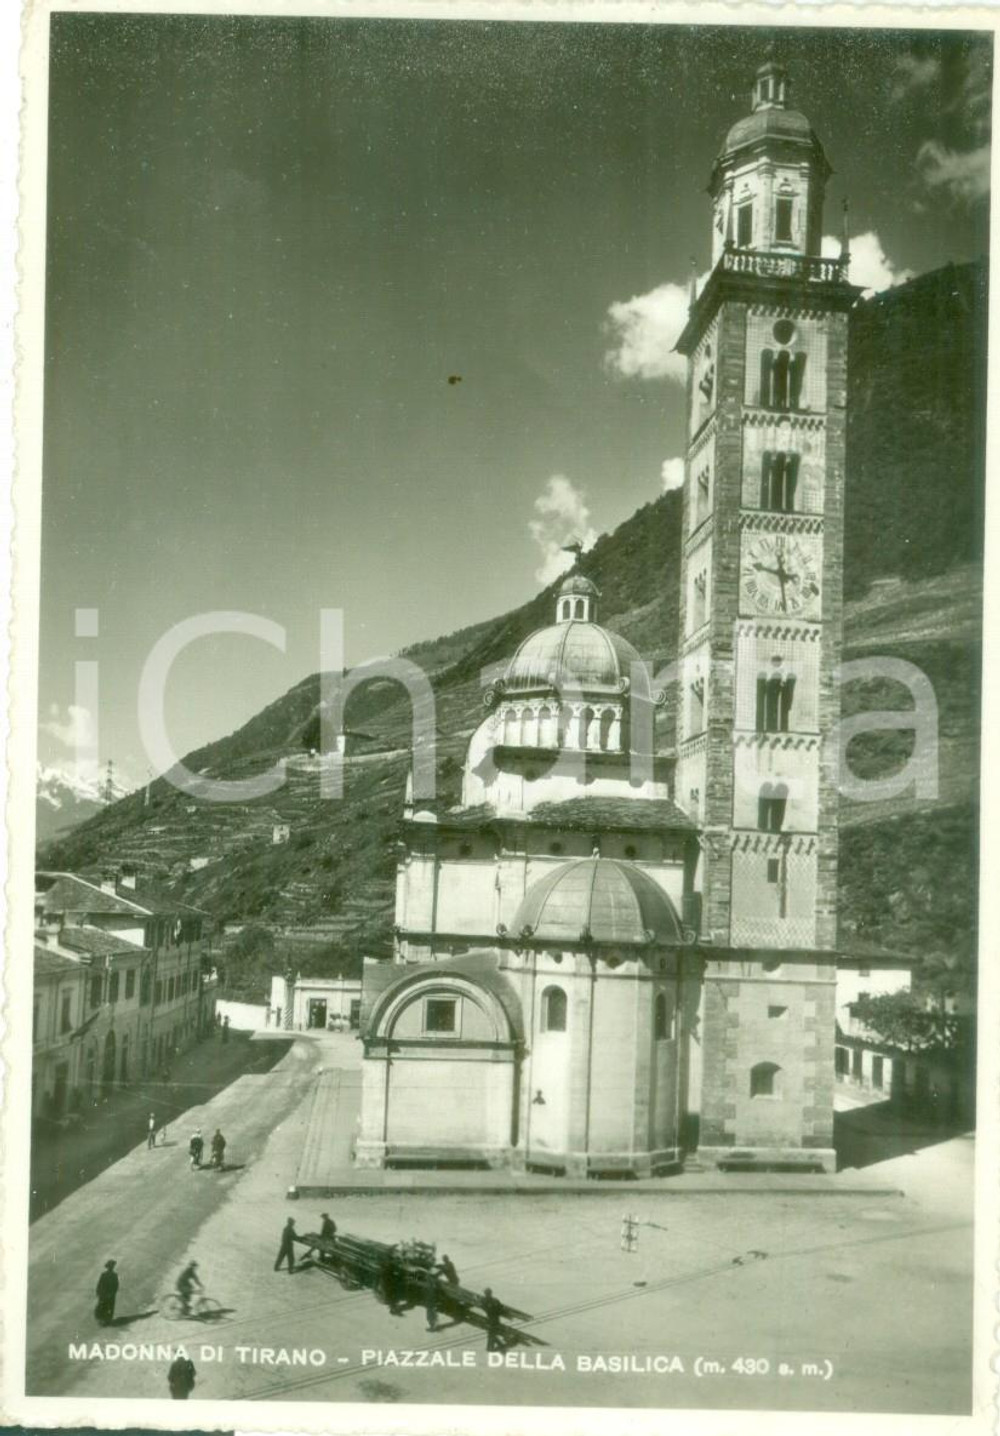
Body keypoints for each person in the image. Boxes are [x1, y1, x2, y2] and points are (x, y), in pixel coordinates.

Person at [94, 1260, 119, 1325]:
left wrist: (112, 1292)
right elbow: (100, 1284)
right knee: (104, 1306)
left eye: (112, 1267)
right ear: (108, 1267)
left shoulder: (114, 1275)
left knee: (110, 1306)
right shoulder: (104, 1275)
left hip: (109, 1293)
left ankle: (108, 1319)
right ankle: (104, 1319)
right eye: (110, 1267)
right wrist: (98, 1291)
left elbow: (116, 1285)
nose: (111, 1268)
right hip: (104, 1293)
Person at [482, 1287, 503, 1353]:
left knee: (491, 1332)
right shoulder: (495, 1300)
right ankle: (491, 1347)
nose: (486, 1295)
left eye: (486, 1293)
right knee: (492, 1332)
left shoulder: (486, 1301)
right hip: (495, 1318)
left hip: (491, 1318)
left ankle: (491, 1347)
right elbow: (500, 1308)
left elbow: (485, 1308)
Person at [423, 1265, 439, 1333]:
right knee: (432, 1312)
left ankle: (433, 1327)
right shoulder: (432, 1279)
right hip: (431, 1299)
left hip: (430, 1299)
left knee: (430, 1314)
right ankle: (433, 1325)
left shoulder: (429, 1280)